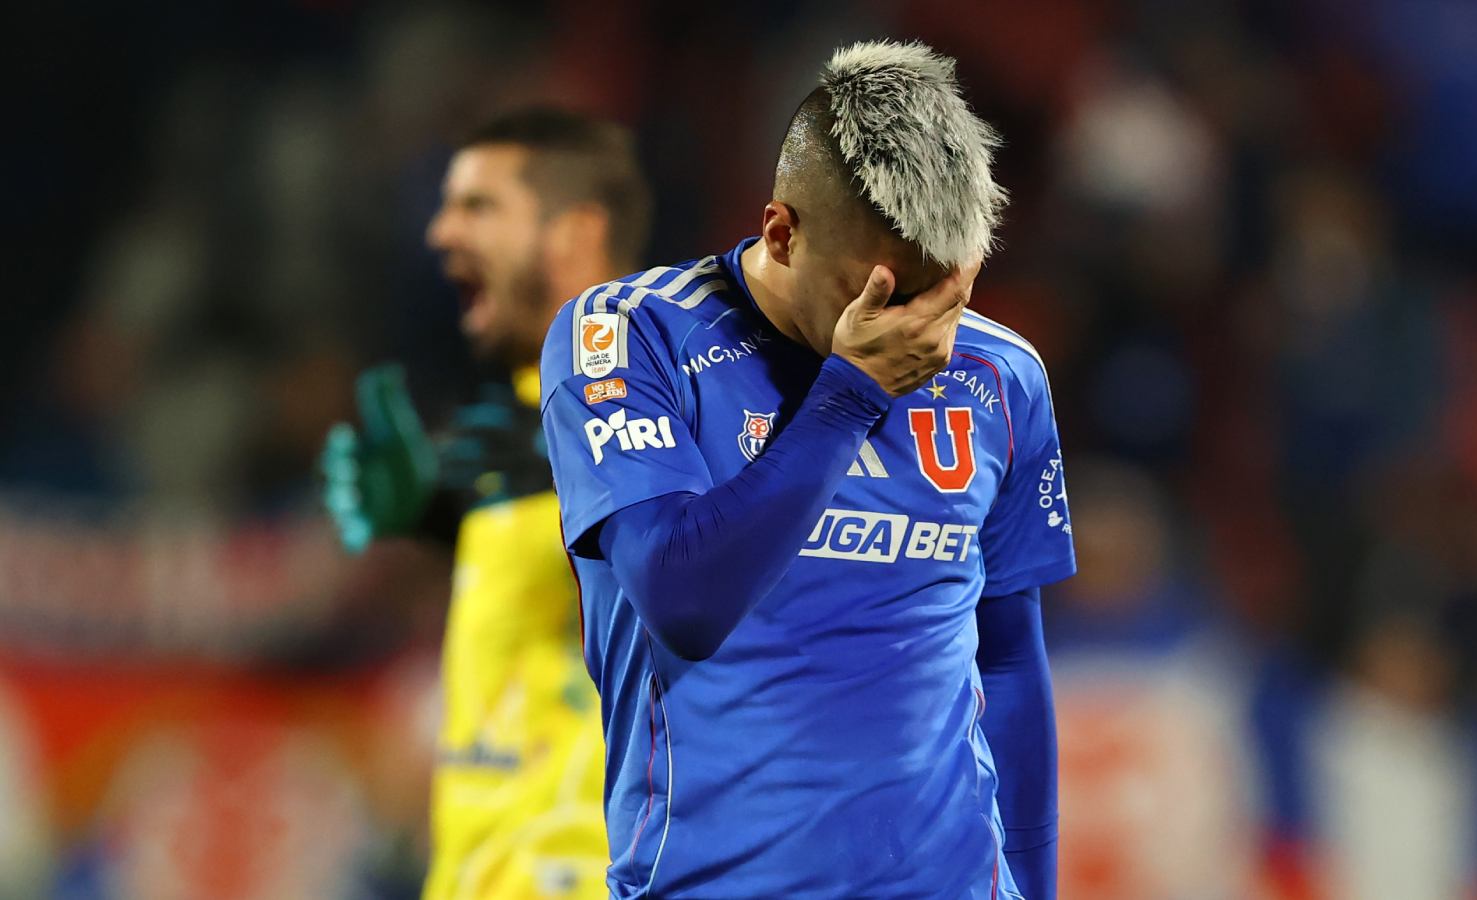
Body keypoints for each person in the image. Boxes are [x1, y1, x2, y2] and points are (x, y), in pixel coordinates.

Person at [540, 42, 1075, 899]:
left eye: (941, 293)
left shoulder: (1002, 377)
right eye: (876, 295)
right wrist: (847, 398)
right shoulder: (630, 337)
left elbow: (1008, 658)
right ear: (782, 232)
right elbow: (683, 598)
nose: (915, 333)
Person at [320, 108, 652, 900]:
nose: (441, 232)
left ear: (573, 234)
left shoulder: (658, 395)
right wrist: (438, 515)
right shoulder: (528, 420)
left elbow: (721, 585)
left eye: (479, 207)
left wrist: (602, 480)